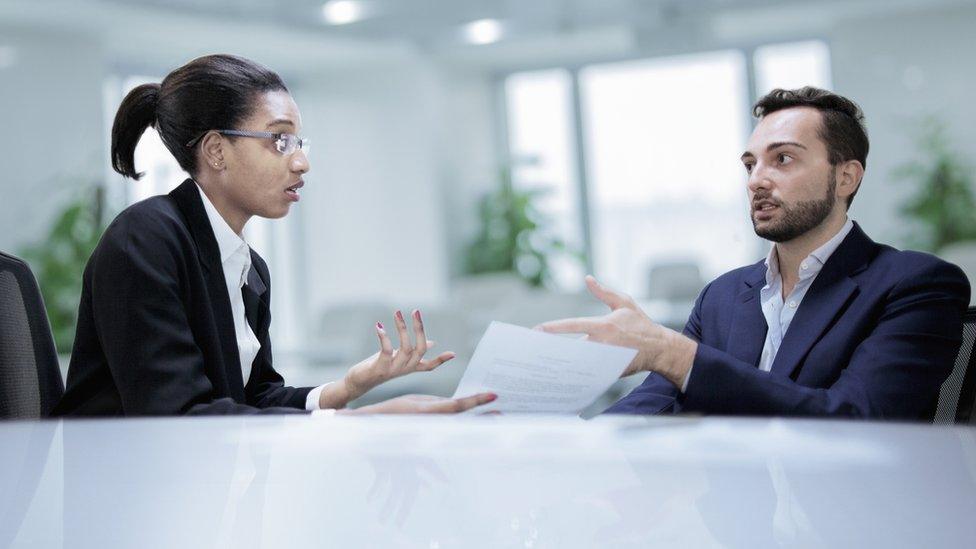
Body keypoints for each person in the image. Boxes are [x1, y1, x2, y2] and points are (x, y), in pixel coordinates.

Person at [53, 54, 494, 416]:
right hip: (128, 502)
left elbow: (255, 398)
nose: (301, 162)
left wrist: (345, 389)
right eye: (280, 141)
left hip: (207, 494)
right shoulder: (146, 240)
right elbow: (178, 417)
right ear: (216, 150)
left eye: (300, 143)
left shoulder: (249, 268)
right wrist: (360, 421)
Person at [539, 87, 970, 419]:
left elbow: (856, 418)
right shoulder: (722, 297)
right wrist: (559, 439)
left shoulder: (915, 284)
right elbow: (650, 406)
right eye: (751, 164)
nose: (756, 181)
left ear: (845, 178)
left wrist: (670, 352)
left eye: (782, 159)